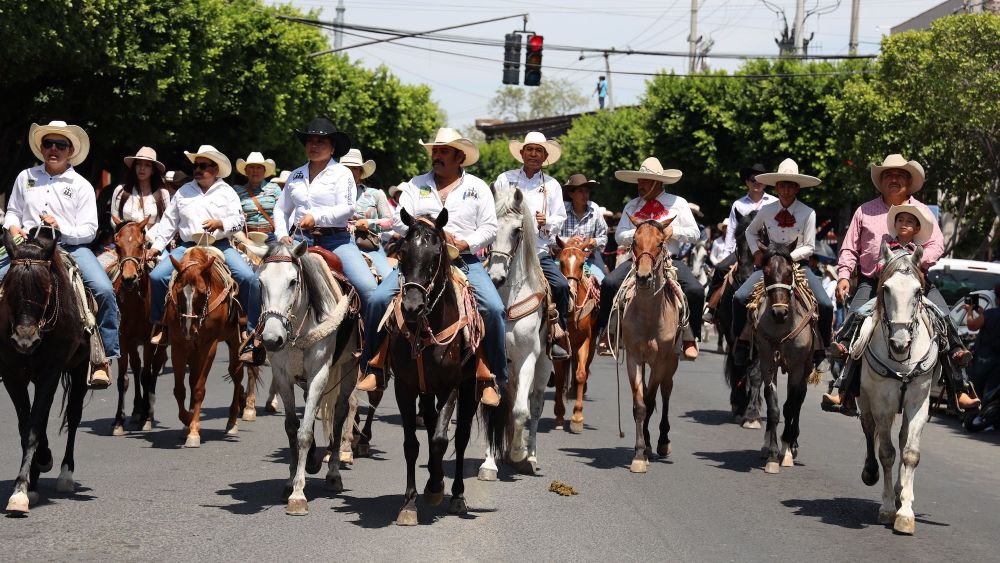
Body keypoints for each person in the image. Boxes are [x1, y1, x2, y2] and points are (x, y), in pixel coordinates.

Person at [357, 128, 505, 406]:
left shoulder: (478, 187)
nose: (437, 156)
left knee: (494, 310)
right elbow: (401, 221)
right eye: (435, 151)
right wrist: (429, 230)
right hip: (421, 260)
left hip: (462, 259)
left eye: (443, 151)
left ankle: (491, 377)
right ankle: (373, 366)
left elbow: (490, 228)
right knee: (377, 299)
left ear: (459, 156)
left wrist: (463, 243)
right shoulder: (416, 184)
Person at [822, 188, 979, 412]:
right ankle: (843, 389)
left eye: (909, 221)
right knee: (857, 317)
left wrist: (920, 262)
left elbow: (937, 248)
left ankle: (960, 388)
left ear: (917, 228)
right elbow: (877, 267)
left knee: (945, 317)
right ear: (894, 226)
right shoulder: (886, 245)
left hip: (917, 288)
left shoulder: (919, 249)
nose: (904, 223)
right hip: (882, 289)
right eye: (900, 220)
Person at [2, 120, 118, 388]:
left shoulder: (81, 185)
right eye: (48, 143)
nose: (53, 149)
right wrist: (13, 226)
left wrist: (60, 227)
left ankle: (102, 357)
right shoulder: (25, 177)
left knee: (103, 289)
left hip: (69, 247)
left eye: (60, 145)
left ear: (70, 151)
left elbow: (89, 230)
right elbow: (12, 211)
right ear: (41, 148)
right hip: (27, 247)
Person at [144, 145, 260, 360]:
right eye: (196, 166)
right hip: (188, 246)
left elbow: (238, 220)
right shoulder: (184, 191)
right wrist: (156, 247)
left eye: (203, 166)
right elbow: (169, 223)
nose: (198, 170)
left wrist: (220, 222)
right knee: (157, 276)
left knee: (249, 278)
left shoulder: (227, 192)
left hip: (220, 245)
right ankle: (162, 325)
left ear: (215, 170)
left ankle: (249, 328)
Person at [730, 159, 834, 371]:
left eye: (790, 185)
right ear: (776, 187)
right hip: (769, 268)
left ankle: (822, 348)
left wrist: (788, 258)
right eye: (782, 185)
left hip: (798, 266)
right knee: (739, 297)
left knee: (825, 304)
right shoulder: (767, 210)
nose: (786, 190)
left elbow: (809, 246)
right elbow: (750, 232)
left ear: (797, 188)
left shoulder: (808, 213)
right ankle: (741, 341)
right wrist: (757, 252)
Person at [595, 157, 704, 360]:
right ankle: (607, 332)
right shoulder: (632, 205)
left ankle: (691, 337)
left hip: (671, 260)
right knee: (609, 283)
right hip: (637, 260)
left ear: (657, 182)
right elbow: (619, 236)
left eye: (644, 181)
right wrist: (641, 234)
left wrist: (673, 231)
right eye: (639, 181)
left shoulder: (678, 203)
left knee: (696, 291)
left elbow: (695, 234)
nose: (640, 185)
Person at [273, 117, 378, 304]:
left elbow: (348, 208)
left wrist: (316, 217)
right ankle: (254, 331)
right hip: (298, 240)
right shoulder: (295, 175)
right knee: (262, 280)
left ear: (332, 148)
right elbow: (281, 209)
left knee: (369, 290)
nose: (313, 145)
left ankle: (372, 334)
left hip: (336, 241)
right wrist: (281, 234)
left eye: (320, 141)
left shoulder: (342, 173)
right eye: (310, 141)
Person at [493, 131, 570, 359]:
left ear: (545, 156)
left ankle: (557, 334)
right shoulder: (504, 179)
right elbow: (493, 211)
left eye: (538, 151)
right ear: (522, 153)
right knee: (479, 287)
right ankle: (479, 335)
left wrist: (547, 223)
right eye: (530, 150)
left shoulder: (552, 185)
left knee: (562, 286)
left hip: (537, 252)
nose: (533, 154)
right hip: (504, 250)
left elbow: (560, 218)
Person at [704, 163, 778, 322]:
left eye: (759, 179)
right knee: (720, 268)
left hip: (767, 250)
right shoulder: (738, 204)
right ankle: (711, 307)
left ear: (765, 182)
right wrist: (727, 255)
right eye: (752, 179)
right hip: (743, 250)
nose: (756, 183)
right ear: (747, 182)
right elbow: (731, 231)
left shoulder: (774, 202)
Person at [340, 148, 393, 278]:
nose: (350, 172)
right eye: (346, 168)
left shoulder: (376, 195)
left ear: (361, 172)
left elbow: (391, 222)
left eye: (354, 168)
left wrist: (369, 223)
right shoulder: (328, 194)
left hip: (368, 245)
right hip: (336, 243)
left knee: (388, 279)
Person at [561, 174, 609, 283]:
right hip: (564, 259)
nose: (585, 195)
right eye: (580, 191)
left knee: (605, 282)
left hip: (590, 259)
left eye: (587, 191)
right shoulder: (561, 211)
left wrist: (595, 241)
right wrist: (567, 240)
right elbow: (551, 237)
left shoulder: (595, 210)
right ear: (571, 194)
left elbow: (604, 237)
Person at [112, 146, 171, 225]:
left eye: (147, 165)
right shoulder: (121, 190)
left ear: (153, 170)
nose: (142, 168)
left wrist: (148, 236)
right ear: (134, 167)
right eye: (138, 164)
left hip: (154, 237)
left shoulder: (163, 194)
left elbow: (166, 223)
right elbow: (114, 219)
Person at [233, 152, 281, 243]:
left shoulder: (275, 188)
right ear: (246, 171)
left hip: (271, 236)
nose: (255, 171)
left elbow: (283, 212)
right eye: (251, 167)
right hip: (246, 237)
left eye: (259, 167)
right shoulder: (237, 191)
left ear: (264, 171)